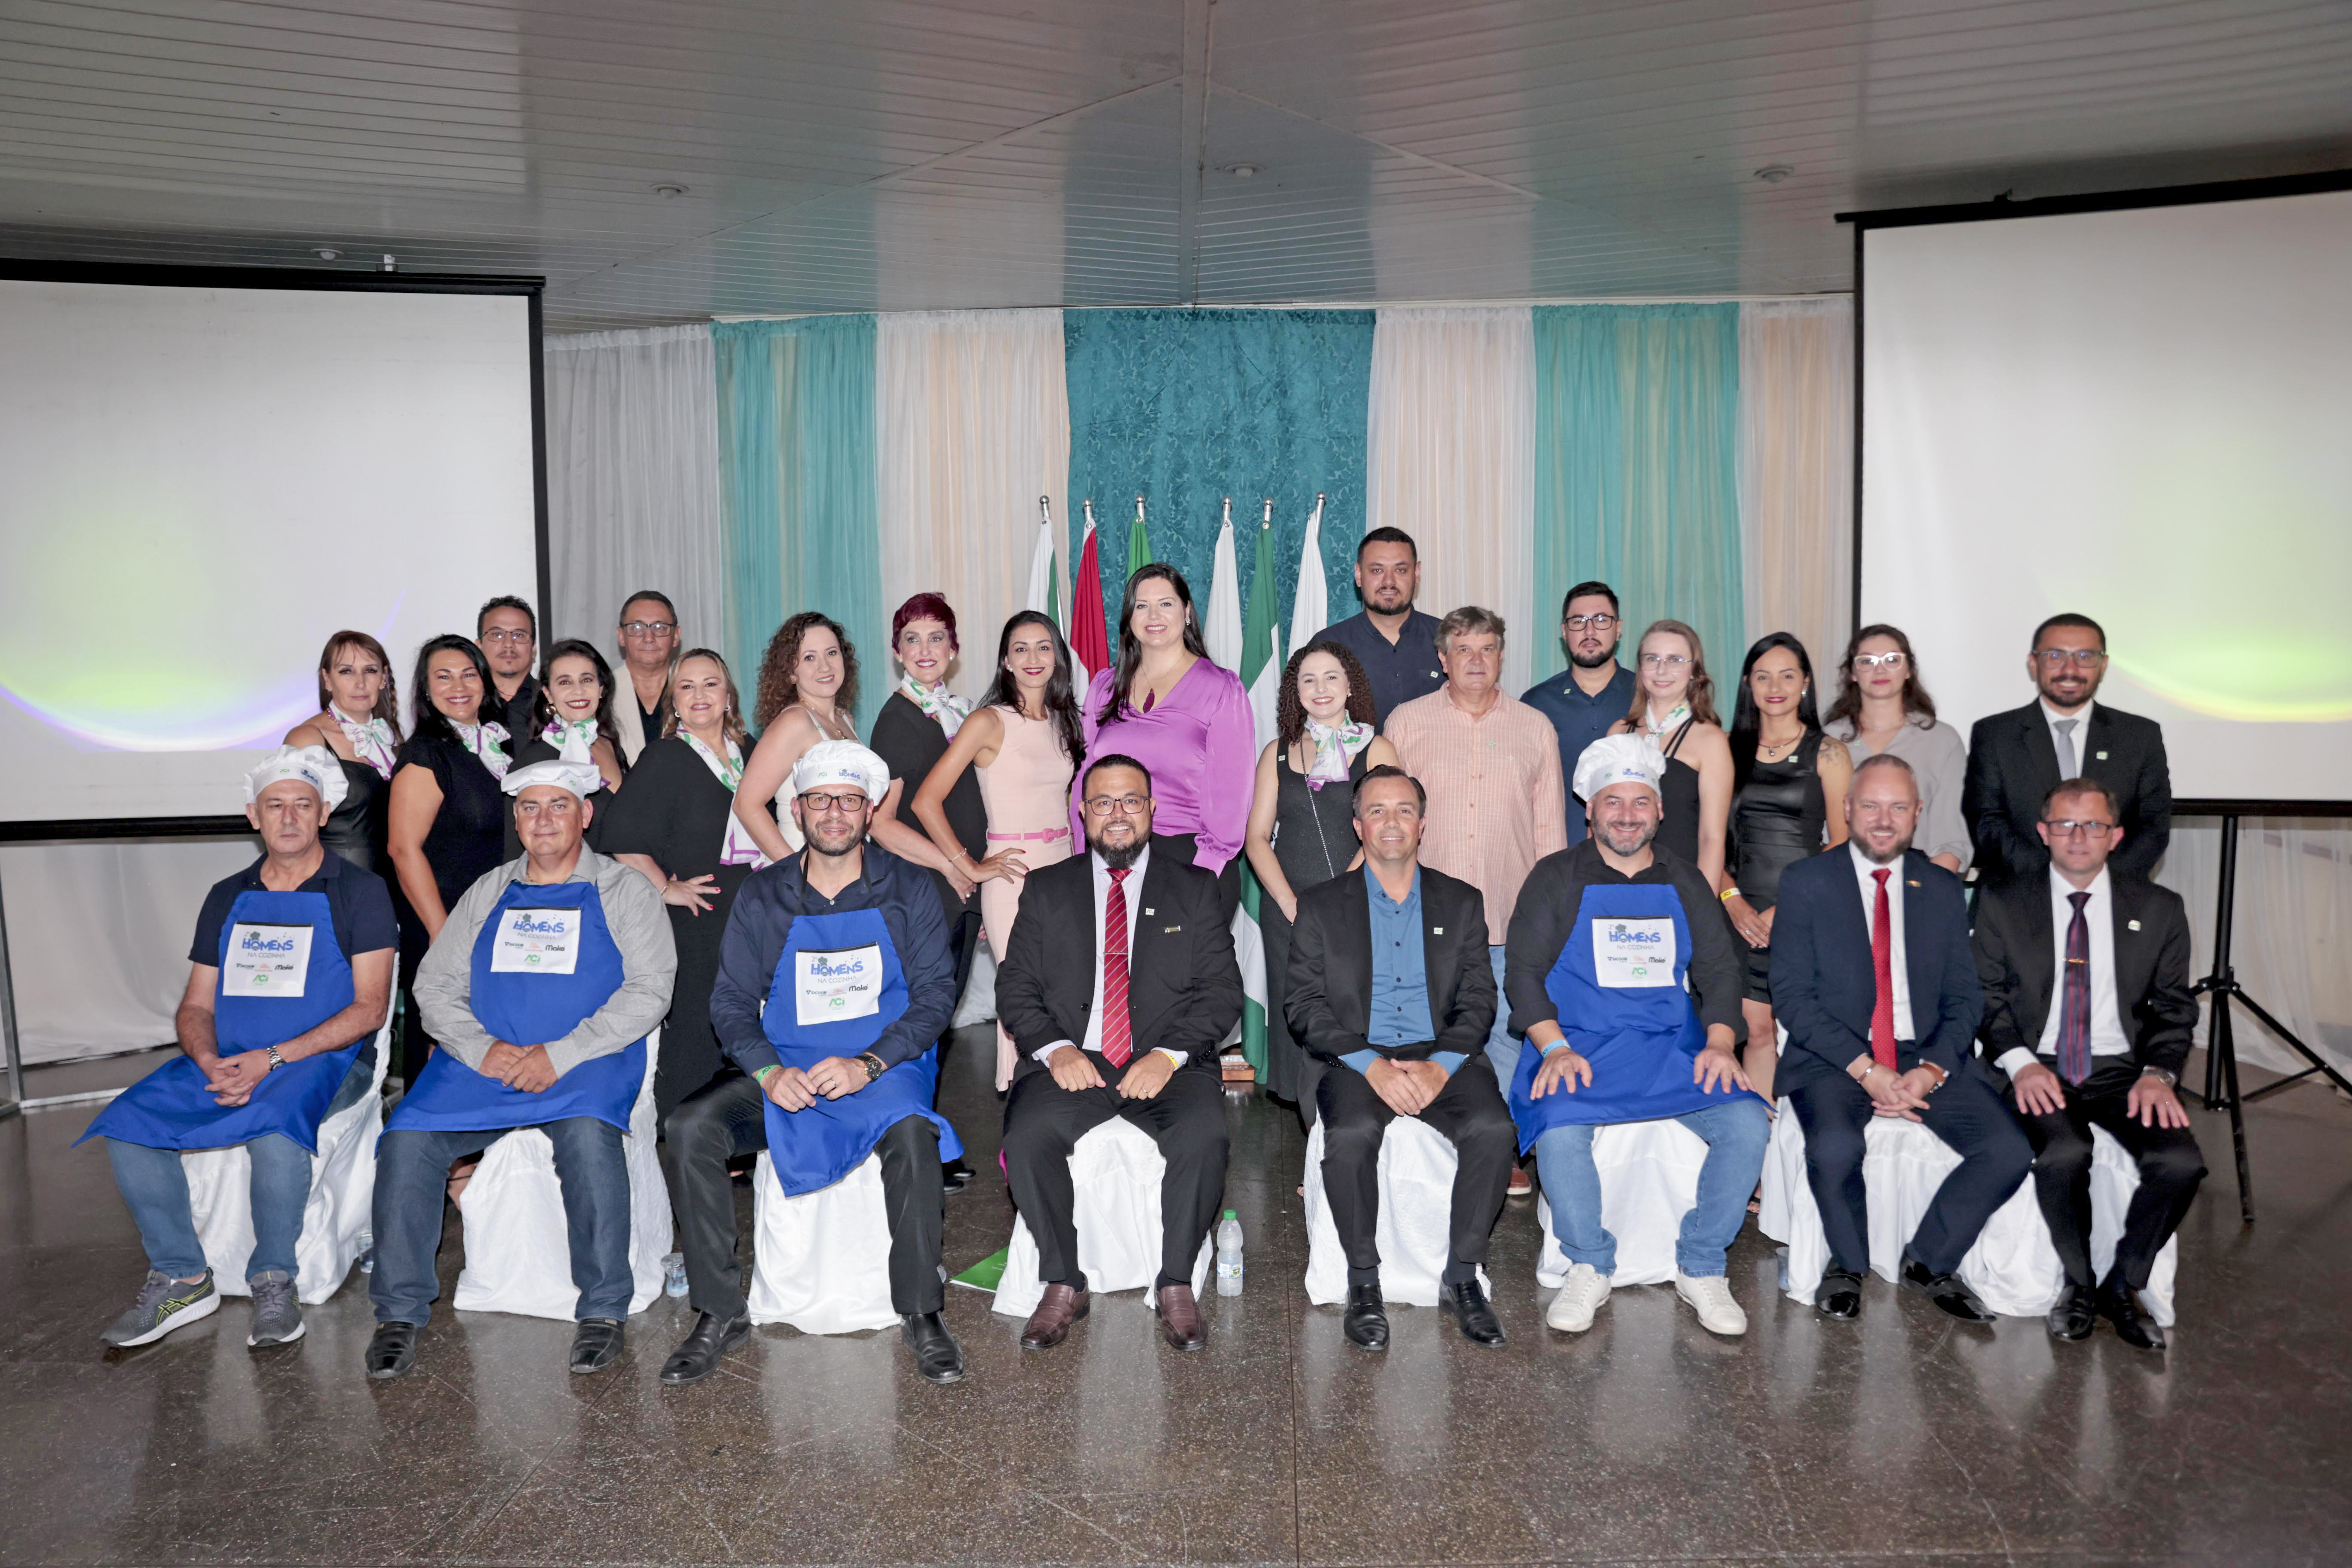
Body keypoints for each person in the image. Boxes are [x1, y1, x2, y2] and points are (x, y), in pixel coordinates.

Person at [664, 742, 965, 1387]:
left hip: (884, 1067)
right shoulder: (763, 894)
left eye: (849, 800)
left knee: (914, 1136)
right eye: (820, 800)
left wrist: (869, 1064)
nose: (834, 813)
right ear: (797, 810)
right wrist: (768, 1072)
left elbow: (936, 997)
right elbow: (731, 1002)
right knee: (690, 1128)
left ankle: (922, 1310)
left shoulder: (910, 887)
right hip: (787, 1069)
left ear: (870, 810)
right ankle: (719, 1311)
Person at [365, 759, 677, 1381]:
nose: (544, 820)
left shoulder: (625, 890)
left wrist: (558, 1055)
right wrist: (481, 1048)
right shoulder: (488, 891)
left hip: (585, 1059)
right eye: (530, 808)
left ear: (585, 815)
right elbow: (435, 984)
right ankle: (398, 1311)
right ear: (517, 820)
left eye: (559, 806)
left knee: (588, 1138)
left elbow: (650, 991)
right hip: (484, 1061)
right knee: (406, 1140)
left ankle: (603, 1308)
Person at [82, 748, 396, 1350]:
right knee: (128, 1122)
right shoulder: (227, 895)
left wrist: (272, 1059)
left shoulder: (362, 892)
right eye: (275, 806)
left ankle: (274, 1279)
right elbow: (196, 1006)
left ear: (323, 813)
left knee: (276, 1123)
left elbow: (369, 1010)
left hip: (325, 1061)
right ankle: (182, 1276)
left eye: (302, 805)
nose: (288, 818)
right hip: (229, 1057)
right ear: (254, 815)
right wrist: (208, 1061)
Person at [1503, 735, 1768, 1339]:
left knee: (1747, 1124)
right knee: (1561, 1126)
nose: (1627, 815)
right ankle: (1589, 1263)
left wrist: (1720, 1043)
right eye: (1613, 802)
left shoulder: (1686, 880)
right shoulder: (1555, 877)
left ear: (1661, 810)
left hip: (1671, 1048)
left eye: (1641, 802)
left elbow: (1719, 971)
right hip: (1577, 1046)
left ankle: (1702, 1265)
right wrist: (1554, 1047)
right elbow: (1523, 973)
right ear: (1590, 811)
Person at [1769, 753, 2034, 1323]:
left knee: (2008, 1150)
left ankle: (1929, 1260)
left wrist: (1932, 1069)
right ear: (1847, 809)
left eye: (1898, 808)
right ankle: (1847, 1264)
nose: (1884, 821)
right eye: (1871, 806)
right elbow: (1791, 997)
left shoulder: (1940, 887)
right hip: (1834, 1056)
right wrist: (1867, 1070)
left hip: (1923, 1053)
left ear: (1918, 813)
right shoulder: (1806, 882)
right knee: (1835, 1147)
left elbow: (1965, 997)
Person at [997, 755, 1241, 1354]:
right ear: (1083, 813)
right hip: (1076, 1057)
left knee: (1204, 1135)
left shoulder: (1194, 888)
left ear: (1153, 810)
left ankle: (1176, 1281)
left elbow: (1221, 992)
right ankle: (1064, 1280)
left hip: (1164, 1060)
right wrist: (1056, 1049)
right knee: (1027, 1137)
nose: (1118, 815)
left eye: (1132, 801)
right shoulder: (1048, 887)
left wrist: (1168, 1056)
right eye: (1103, 802)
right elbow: (1016, 987)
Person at [1283, 766, 1513, 1350]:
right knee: (1351, 1133)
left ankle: (1463, 1277)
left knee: (1493, 1129)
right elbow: (1304, 1007)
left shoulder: (1461, 901)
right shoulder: (1320, 905)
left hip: (1441, 1054)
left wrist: (1441, 1066)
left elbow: (1480, 1000)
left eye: (1405, 810)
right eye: (1378, 811)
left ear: (1422, 824)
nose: (1392, 822)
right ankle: (1364, 1282)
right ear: (1358, 825)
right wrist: (1371, 1066)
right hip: (1355, 1057)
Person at [1974, 778, 2202, 1350]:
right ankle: (2077, 1284)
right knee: (2065, 1151)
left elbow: (2174, 1010)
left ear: (2116, 836)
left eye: (2094, 825)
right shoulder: (2004, 901)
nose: (2079, 837)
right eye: (2065, 825)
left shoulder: (2160, 909)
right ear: (2043, 832)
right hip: (2039, 1062)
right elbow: (1986, 999)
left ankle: (2122, 1285)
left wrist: (2159, 1074)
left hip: (2122, 1070)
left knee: (2180, 1162)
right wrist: (2021, 1064)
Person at [1382, 606, 1568, 1193]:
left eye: (1487, 648)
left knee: (1507, 1041)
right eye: (1463, 649)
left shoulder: (1534, 727)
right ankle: (1430, 1146)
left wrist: (1552, 920)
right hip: (1423, 919)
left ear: (1502, 656)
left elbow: (1550, 833)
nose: (1476, 660)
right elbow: (1387, 822)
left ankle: (1503, 1149)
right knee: (1426, 1033)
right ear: (1443, 659)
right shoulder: (1407, 723)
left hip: (1510, 919)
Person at [911, 611, 1083, 1091]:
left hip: (1064, 869)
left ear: (1058, 657)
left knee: (1066, 988)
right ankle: (1020, 1092)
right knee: (1022, 994)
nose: (1033, 658)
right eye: (1020, 649)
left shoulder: (1064, 719)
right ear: (1006, 661)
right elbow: (926, 801)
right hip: (1012, 875)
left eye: (1043, 647)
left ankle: (1064, 1096)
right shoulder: (988, 721)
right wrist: (969, 866)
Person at [599, 649, 764, 1118]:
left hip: (754, 913)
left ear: (729, 697)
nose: (699, 695)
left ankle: (745, 1130)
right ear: (674, 701)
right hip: (698, 920)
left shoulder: (752, 751)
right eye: (686, 687)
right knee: (698, 1031)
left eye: (710, 684)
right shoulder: (665, 756)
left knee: (752, 1026)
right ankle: (688, 1134)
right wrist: (664, 887)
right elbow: (621, 838)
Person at [1243, 641, 1399, 1125]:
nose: (1321, 688)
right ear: (1296, 693)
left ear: (1351, 685)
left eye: (1331, 676)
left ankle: (1356, 1122)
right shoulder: (1277, 754)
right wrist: (1291, 904)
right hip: (1289, 912)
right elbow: (1256, 838)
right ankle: (1312, 1134)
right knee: (1300, 1017)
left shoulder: (1377, 749)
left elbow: (1387, 831)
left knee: (1355, 1014)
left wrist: (1336, 902)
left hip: (1359, 906)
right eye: (1308, 680)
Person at [1076, 564, 1255, 922]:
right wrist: (1083, 861)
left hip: (1191, 860)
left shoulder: (1221, 688)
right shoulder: (1104, 687)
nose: (1154, 616)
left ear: (1187, 611)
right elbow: (1083, 780)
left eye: (1166, 604)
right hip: (1112, 856)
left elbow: (1232, 798)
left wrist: (1201, 876)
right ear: (1129, 618)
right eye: (1142, 606)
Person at [1720, 633, 1852, 1100]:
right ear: (1747, 684)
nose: (1775, 687)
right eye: (1763, 677)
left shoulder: (1829, 752)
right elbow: (1707, 841)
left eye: (1787, 676)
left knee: (1803, 1033)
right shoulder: (1724, 749)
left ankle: (1804, 1134)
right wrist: (1733, 901)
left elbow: (1844, 844)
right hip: (1737, 913)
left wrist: (1788, 907)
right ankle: (1763, 1133)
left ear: (1806, 683)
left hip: (1806, 911)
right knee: (1756, 1034)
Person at [1963, 612, 2172, 889]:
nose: (2070, 669)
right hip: (2017, 896)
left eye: (2085, 656)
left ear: (2103, 665)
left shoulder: (2140, 736)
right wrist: (2054, 883)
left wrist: (2098, 883)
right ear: (2033, 663)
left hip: (2116, 895)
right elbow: (1986, 823)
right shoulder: (1995, 735)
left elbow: (2153, 826)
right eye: (2055, 656)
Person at [387, 635, 511, 1085]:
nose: (458, 687)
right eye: (443, 677)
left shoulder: (497, 748)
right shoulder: (426, 754)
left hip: (493, 919)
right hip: (444, 922)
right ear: (426, 689)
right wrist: (444, 935)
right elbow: (403, 849)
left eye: (468, 674)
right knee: (447, 1051)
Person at [866, 594, 988, 1011]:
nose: (924, 650)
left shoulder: (957, 712)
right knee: (922, 1016)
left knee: (943, 1012)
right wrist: (952, 866)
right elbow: (880, 823)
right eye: (912, 639)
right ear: (897, 652)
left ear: (953, 649)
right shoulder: (897, 721)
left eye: (936, 638)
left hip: (961, 889)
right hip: (927, 892)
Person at [1823, 624, 1969, 873]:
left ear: (1909, 669)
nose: (1880, 669)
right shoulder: (1829, 739)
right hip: (1841, 877)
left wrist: (1931, 892)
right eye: (1867, 661)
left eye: (1892, 660)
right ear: (1853, 673)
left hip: (1918, 877)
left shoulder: (1942, 740)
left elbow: (1950, 840)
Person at [1605, 619, 1733, 891]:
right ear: (1640, 668)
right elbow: (1599, 826)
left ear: (1694, 671)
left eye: (1675, 660)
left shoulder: (1711, 741)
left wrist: (1701, 907)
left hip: (1680, 890)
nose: (1662, 670)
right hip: (1617, 886)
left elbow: (1712, 839)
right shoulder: (1618, 732)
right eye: (1652, 659)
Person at [735, 612, 860, 864]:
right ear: (791, 672)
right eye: (809, 658)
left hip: (843, 868)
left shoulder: (845, 719)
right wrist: (796, 869)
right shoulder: (794, 722)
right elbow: (746, 805)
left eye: (832, 653)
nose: (825, 666)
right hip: (802, 871)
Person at [1520, 581, 1639, 841]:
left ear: (1619, 628)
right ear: (1564, 631)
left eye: (1601, 620)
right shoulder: (1535, 704)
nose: (1589, 630)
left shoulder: (1646, 697)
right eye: (1578, 621)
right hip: (1557, 855)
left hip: (1638, 855)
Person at [284, 630, 401, 876]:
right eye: (346, 671)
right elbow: (290, 827)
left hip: (394, 885)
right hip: (335, 883)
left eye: (370, 670)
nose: (360, 683)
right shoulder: (308, 738)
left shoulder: (391, 738)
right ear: (327, 679)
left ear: (383, 677)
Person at [500, 638, 627, 860]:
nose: (578, 691)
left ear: (601, 689)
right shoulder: (534, 760)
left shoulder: (608, 744)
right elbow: (516, 855)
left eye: (586, 680)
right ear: (548, 694)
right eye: (565, 682)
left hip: (627, 877)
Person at [1314, 527, 1446, 728]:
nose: (1389, 582)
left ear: (1417, 574)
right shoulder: (1327, 646)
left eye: (1401, 570)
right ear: (1359, 574)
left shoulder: (1449, 640)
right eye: (1377, 570)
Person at [611, 590, 681, 765]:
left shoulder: (694, 691)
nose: (649, 638)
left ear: (676, 636)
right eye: (636, 628)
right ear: (621, 636)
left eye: (660, 628)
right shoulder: (602, 692)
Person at [476, 595, 540, 739]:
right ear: (479, 646)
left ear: (533, 649)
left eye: (519, 635)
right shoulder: (463, 703)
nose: (509, 644)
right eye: (497, 635)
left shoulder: (554, 702)